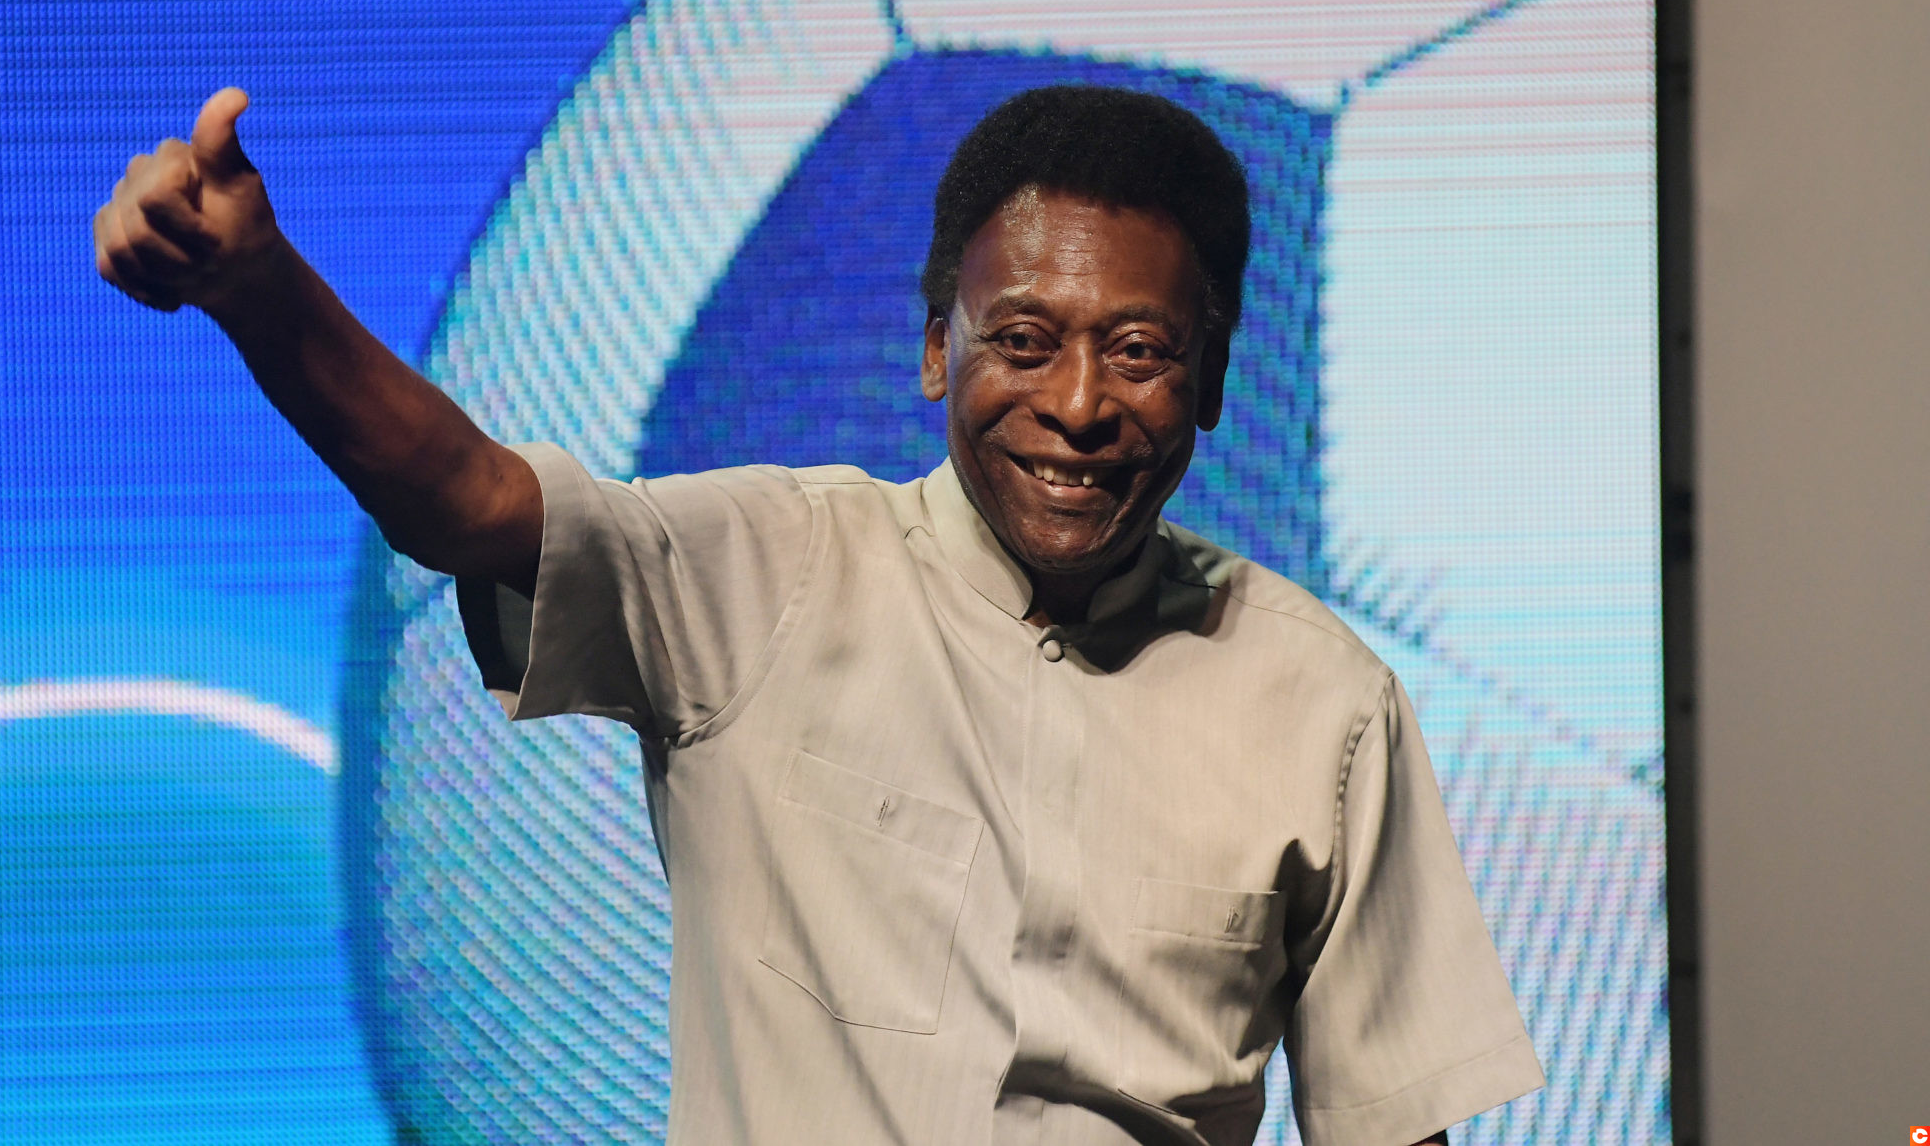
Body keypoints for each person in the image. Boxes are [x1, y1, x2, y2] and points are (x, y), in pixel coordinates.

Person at [94, 84, 1544, 1146]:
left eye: (1143, 351)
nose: (1081, 404)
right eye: (1023, 342)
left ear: (1218, 382)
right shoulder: (759, 575)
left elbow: (1387, 1126)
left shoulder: (1326, 703)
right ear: (936, 349)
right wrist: (255, 287)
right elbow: (465, 499)